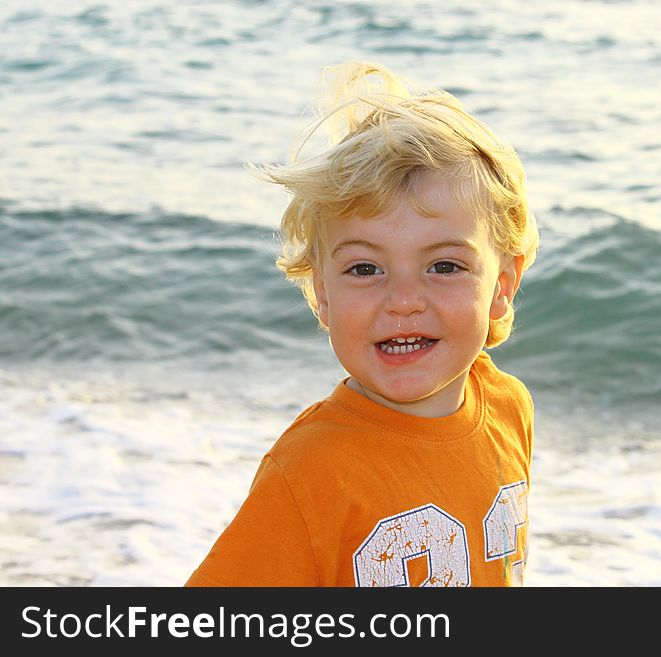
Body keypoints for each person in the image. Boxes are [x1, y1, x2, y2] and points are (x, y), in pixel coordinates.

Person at [185, 61, 539, 587]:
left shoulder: (509, 407)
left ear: (502, 287)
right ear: (323, 293)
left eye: (444, 266)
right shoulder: (312, 470)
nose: (403, 301)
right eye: (365, 268)